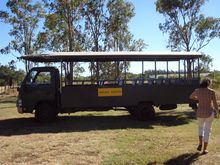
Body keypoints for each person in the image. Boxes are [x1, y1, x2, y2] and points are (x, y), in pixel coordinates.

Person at [190, 77, 219, 154]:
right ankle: (204, 149)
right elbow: (215, 104)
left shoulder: (197, 91)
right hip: (209, 113)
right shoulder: (211, 92)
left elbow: (191, 97)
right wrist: (218, 112)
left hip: (200, 113)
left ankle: (200, 143)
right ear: (208, 83)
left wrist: (198, 98)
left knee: (200, 128)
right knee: (207, 130)